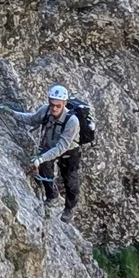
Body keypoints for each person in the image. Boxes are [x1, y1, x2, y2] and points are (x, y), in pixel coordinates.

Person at [20, 85, 84, 223]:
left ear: (64, 104)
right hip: (51, 146)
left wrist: (41, 158)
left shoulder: (72, 121)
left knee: (70, 181)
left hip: (69, 152)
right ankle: (52, 196)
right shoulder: (46, 110)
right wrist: (12, 113)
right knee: (44, 166)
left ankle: (69, 208)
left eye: (58, 106)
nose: (54, 108)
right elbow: (32, 119)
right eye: (52, 104)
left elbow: (61, 147)